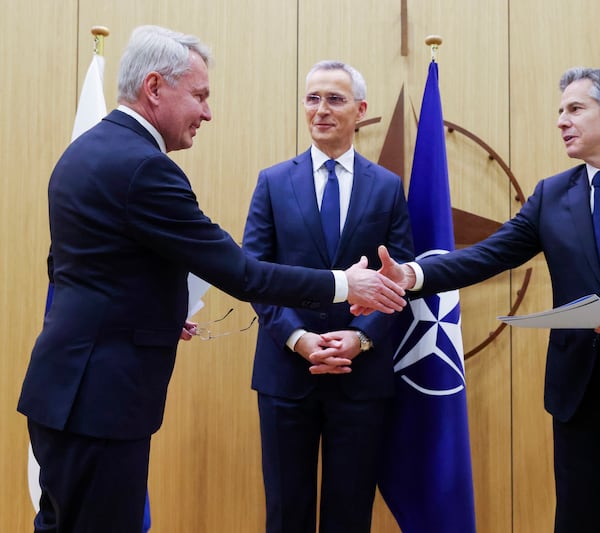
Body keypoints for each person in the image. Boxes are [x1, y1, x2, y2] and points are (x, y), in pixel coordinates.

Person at [17, 27, 405, 533]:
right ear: (155, 88)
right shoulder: (145, 168)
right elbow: (239, 270)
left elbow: (74, 269)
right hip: (99, 400)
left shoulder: (86, 150)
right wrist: (343, 286)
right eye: (199, 96)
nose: (207, 112)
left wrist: (152, 310)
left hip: (67, 389)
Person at [351, 67, 600, 532]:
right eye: (560, 111)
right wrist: (411, 274)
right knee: (576, 520)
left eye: (575, 109)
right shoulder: (553, 194)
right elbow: (488, 256)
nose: (561, 121)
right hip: (579, 391)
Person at [242, 60, 414, 533]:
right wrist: (297, 337)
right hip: (285, 371)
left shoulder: (386, 187)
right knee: (285, 511)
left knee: (350, 513)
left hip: (360, 376)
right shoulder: (273, 182)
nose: (320, 110)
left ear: (360, 110)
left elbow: (398, 279)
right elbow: (253, 275)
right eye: (312, 98)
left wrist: (362, 338)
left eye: (334, 99)